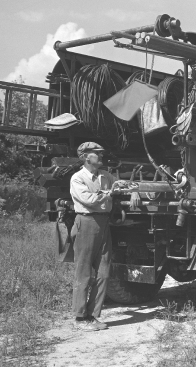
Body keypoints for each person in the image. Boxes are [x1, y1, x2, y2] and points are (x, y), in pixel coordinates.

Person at [70, 141, 116, 331]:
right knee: (84, 272)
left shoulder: (106, 176)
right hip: (86, 223)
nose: (101, 155)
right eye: (97, 152)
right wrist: (109, 193)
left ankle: (92, 315)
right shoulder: (77, 178)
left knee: (104, 273)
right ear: (86, 156)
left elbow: (122, 187)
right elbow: (89, 200)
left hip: (104, 223)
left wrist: (132, 191)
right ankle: (80, 318)